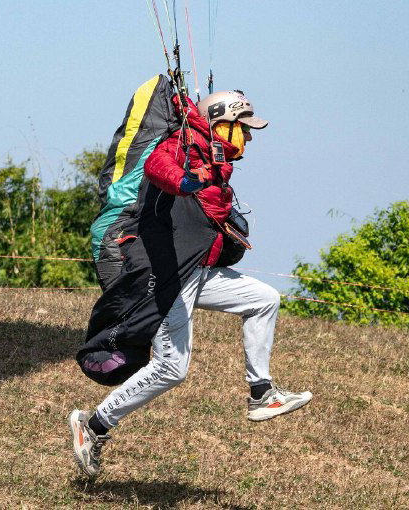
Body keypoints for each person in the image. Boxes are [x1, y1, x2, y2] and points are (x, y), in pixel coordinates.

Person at [68, 89, 312, 477]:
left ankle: (261, 393)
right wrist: (184, 181)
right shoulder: (181, 145)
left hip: (196, 272)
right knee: (172, 368)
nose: (248, 138)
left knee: (264, 298)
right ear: (222, 125)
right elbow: (156, 166)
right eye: (244, 129)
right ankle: (93, 424)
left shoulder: (213, 162)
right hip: (168, 277)